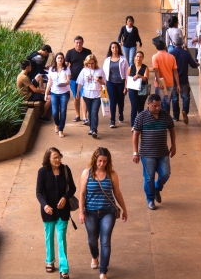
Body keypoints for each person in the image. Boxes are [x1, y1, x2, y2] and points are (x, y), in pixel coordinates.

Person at [78, 147, 128, 279]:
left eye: (105, 161)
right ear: (95, 160)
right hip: (90, 212)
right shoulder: (86, 173)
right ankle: (95, 256)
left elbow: (117, 193)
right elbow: (82, 194)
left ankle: (103, 271)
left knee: (105, 241)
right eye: (100, 161)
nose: (102, 164)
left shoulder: (112, 174)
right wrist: (81, 212)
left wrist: (124, 209)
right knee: (92, 240)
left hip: (108, 212)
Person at [132, 94, 177, 210]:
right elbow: (135, 135)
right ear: (148, 104)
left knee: (165, 174)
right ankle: (150, 199)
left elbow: (172, 129)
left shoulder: (165, 115)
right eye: (154, 106)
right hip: (147, 154)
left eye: (159, 106)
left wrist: (174, 145)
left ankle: (157, 188)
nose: (157, 108)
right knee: (149, 177)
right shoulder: (141, 117)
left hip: (163, 152)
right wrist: (135, 152)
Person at [36, 147, 76, 278]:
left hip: (63, 211)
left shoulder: (65, 169)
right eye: (55, 158)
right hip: (48, 211)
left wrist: (65, 197)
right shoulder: (42, 172)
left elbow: (73, 188)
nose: (58, 160)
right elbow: (39, 192)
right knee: (49, 237)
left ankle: (64, 269)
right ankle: (50, 260)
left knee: (61, 239)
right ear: (48, 159)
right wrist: (45, 205)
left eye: (59, 157)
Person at [169, 34, 199, 124]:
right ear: (182, 43)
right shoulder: (186, 53)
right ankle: (185, 110)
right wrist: (197, 63)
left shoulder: (171, 53)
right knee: (186, 97)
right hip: (184, 79)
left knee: (174, 99)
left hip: (173, 80)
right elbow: (193, 65)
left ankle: (175, 116)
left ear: (174, 43)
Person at [76, 55, 106, 138]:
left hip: (97, 94)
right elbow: (80, 82)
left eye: (92, 63)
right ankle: (91, 128)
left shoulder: (100, 70)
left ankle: (94, 130)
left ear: (95, 62)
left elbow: (105, 82)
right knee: (89, 112)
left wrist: (100, 80)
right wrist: (78, 92)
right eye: (88, 63)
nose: (90, 65)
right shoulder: (84, 70)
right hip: (86, 94)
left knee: (94, 112)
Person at [65, 36, 92, 124]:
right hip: (73, 79)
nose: (78, 44)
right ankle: (77, 115)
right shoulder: (70, 52)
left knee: (83, 96)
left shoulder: (88, 52)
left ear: (82, 43)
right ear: (74, 43)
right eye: (77, 43)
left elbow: (91, 63)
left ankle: (85, 117)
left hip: (85, 79)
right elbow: (65, 65)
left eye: (80, 43)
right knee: (76, 97)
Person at [102, 42, 129, 129]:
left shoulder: (123, 59)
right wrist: (103, 85)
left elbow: (127, 74)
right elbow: (104, 73)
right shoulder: (107, 60)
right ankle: (112, 120)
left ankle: (120, 113)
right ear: (110, 49)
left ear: (118, 48)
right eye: (113, 47)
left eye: (116, 47)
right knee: (112, 101)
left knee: (120, 101)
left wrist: (126, 86)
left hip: (120, 83)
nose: (114, 49)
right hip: (111, 83)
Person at [45, 53, 72, 138]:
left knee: (63, 111)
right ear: (55, 59)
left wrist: (67, 82)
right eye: (58, 58)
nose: (60, 60)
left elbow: (68, 79)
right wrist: (46, 93)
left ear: (63, 60)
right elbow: (49, 82)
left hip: (64, 93)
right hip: (54, 93)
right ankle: (57, 123)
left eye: (61, 58)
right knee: (55, 112)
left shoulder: (67, 69)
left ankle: (61, 129)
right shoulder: (51, 69)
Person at [151, 40, 180, 114]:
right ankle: (166, 119)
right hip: (169, 83)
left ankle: (160, 120)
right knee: (167, 102)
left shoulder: (155, 57)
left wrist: (158, 82)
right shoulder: (171, 57)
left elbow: (156, 71)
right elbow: (175, 72)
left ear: (156, 48)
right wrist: (178, 85)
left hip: (160, 84)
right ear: (165, 46)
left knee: (158, 103)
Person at [127, 51, 150, 129]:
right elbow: (127, 78)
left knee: (141, 107)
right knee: (134, 106)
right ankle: (133, 124)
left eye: (140, 57)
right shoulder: (131, 67)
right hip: (133, 89)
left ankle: (140, 124)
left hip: (143, 89)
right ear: (134, 58)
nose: (138, 58)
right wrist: (126, 88)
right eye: (137, 56)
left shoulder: (145, 67)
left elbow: (146, 78)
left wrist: (139, 76)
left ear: (142, 58)